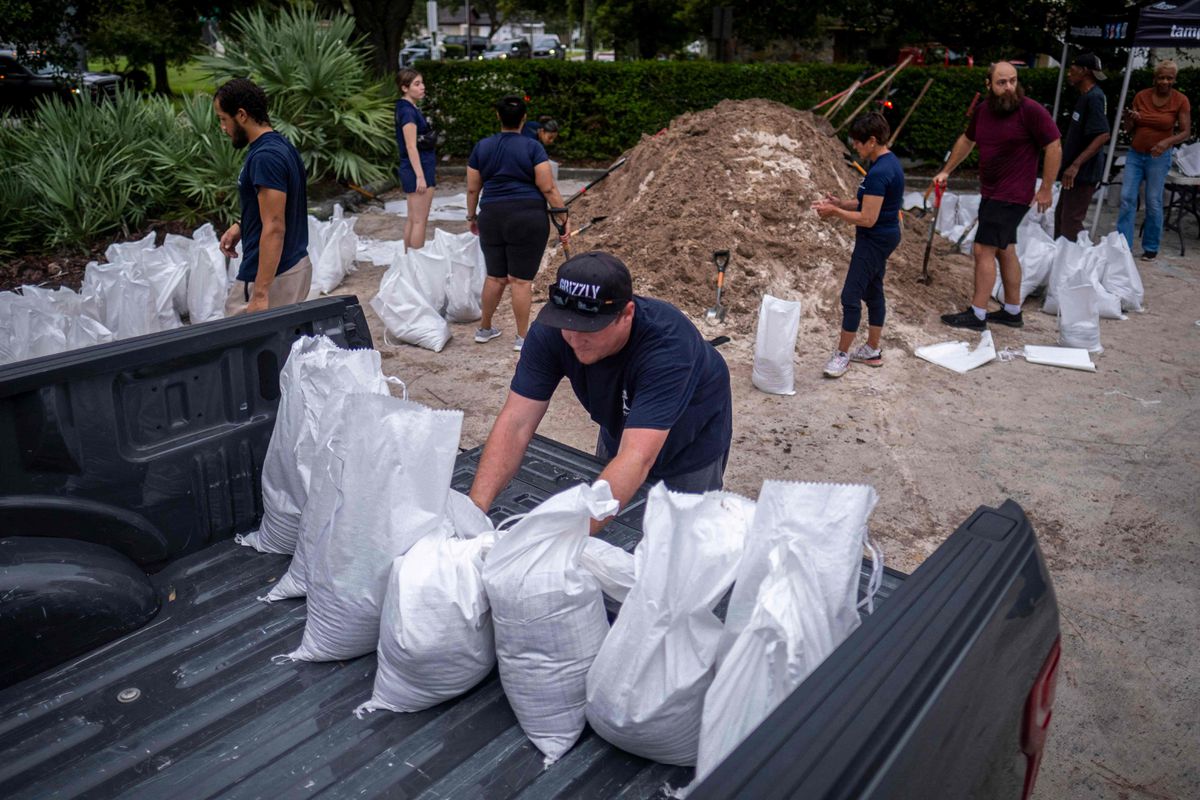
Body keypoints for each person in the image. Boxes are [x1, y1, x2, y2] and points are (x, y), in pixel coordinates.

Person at [467, 251, 733, 529]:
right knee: (612, 515)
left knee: (683, 535)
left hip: (690, 436)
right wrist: (474, 511)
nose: (575, 338)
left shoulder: (669, 346)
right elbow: (516, 422)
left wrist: (561, 542)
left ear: (626, 314)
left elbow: (637, 456)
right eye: (567, 324)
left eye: (589, 328)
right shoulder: (552, 331)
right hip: (620, 418)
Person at [934, 61, 1062, 330]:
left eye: (1013, 81)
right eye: (1002, 82)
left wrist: (1046, 188)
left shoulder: (1031, 111)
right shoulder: (983, 111)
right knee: (1005, 249)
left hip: (1012, 193)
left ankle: (977, 314)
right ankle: (1012, 311)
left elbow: (1054, 146)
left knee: (982, 249)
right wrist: (946, 171)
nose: (1009, 88)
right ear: (989, 84)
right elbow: (967, 141)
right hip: (992, 191)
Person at [466, 95, 568, 352]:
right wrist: (563, 216)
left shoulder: (482, 147)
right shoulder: (533, 148)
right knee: (521, 281)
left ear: (498, 117)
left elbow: (471, 189)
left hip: (492, 216)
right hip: (527, 216)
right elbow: (547, 187)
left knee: (495, 276)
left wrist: (472, 217)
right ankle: (522, 338)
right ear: (524, 119)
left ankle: (484, 328)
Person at [813, 112, 905, 378]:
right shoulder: (886, 164)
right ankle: (872, 350)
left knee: (850, 296)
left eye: (858, 142)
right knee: (873, 290)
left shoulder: (880, 171)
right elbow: (870, 202)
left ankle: (842, 355)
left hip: (875, 239)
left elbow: (867, 217)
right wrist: (841, 203)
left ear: (873, 140)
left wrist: (834, 213)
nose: (854, 146)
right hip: (882, 235)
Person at [215, 78, 310, 315]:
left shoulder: (265, 157)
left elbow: (275, 227)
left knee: (242, 346)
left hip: (275, 275)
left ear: (242, 115)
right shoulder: (280, 146)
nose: (223, 128)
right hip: (290, 266)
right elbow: (277, 208)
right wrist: (242, 225)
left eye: (223, 119)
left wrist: (259, 294)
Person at [1118, 60, 1192, 260]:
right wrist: (1129, 118)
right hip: (1136, 154)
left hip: (1158, 158)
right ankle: (1122, 245)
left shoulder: (1180, 100)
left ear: (1174, 79)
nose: (1165, 81)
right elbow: (1127, 129)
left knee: (1153, 201)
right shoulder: (1142, 96)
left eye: (1169, 78)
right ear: (1155, 78)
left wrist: (1166, 142)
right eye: (1161, 77)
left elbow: (1185, 132)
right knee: (1127, 198)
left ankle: (1151, 247)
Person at [1056, 53, 1111, 242]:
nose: (1069, 74)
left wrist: (1076, 165)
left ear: (1084, 72)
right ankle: (1059, 258)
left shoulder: (1095, 98)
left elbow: (1103, 134)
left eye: (1072, 71)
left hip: (1084, 172)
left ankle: (1072, 263)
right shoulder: (1084, 96)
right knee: (1061, 216)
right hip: (1074, 170)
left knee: (1071, 221)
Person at [395, 68, 436, 250]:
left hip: (416, 166)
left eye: (422, 83)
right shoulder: (408, 112)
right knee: (420, 220)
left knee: (414, 219)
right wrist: (420, 176)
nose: (422, 87)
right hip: (418, 168)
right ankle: (416, 265)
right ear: (405, 88)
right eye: (416, 84)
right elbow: (411, 145)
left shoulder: (406, 107)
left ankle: (409, 263)